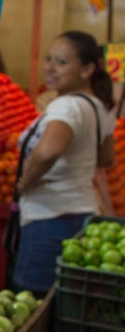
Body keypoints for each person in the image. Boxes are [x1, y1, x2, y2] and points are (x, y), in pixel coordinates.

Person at [12, 31, 115, 296]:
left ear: (87, 69)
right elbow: (106, 159)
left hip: (48, 217)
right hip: (82, 213)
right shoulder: (98, 107)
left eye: (61, 62)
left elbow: (48, 152)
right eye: (48, 59)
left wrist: (26, 182)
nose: (49, 68)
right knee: (66, 297)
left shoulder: (66, 107)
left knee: (34, 297)